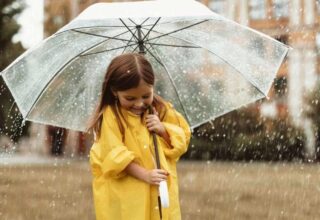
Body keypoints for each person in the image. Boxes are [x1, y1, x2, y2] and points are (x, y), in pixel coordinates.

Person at [87, 53, 191, 220]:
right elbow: (113, 154)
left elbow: (182, 138)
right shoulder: (111, 116)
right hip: (127, 193)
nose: (139, 103)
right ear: (115, 91)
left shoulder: (161, 109)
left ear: (152, 87)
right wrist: (144, 174)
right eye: (130, 98)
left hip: (158, 189)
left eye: (146, 96)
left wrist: (162, 129)